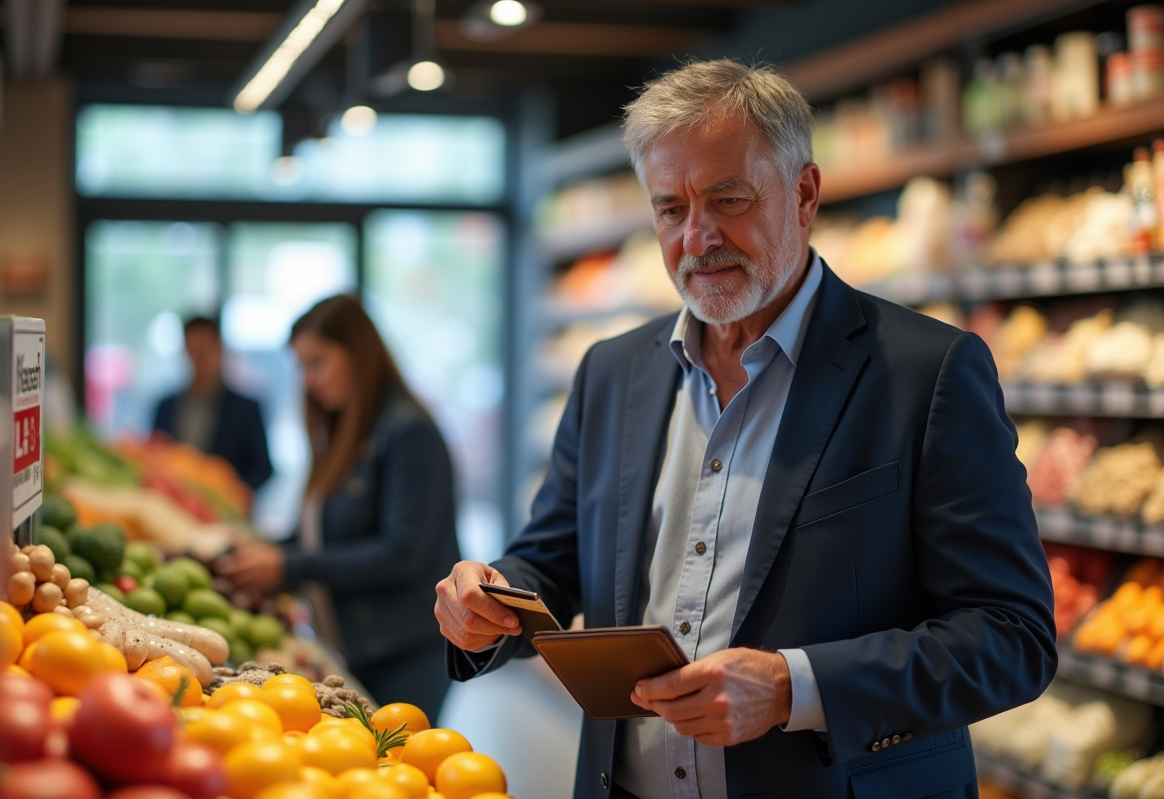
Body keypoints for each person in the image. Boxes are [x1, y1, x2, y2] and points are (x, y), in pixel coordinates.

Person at [435, 60, 1056, 799]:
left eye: (728, 200)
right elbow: (554, 558)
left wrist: (794, 688)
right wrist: (492, 600)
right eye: (670, 209)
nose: (697, 238)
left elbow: (1011, 635)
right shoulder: (612, 373)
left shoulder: (929, 372)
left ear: (804, 194)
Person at [220, 295, 460, 721]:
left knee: (398, 772)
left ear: (358, 355)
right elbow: (324, 534)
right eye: (301, 367)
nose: (308, 381)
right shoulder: (345, 431)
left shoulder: (408, 433)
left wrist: (289, 566)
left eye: (318, 362)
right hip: (359, 645)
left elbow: (401, 552)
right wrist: (263, 552)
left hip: (404, 649)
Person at [152, 316, 273, 491]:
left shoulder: (246, 409)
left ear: (219, 350)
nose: (199, 360)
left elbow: (263, 468)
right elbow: (154, 457)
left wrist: (233, 493)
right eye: (193, 351)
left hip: (225, 510)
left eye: (204, 351)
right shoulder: (165, 406)